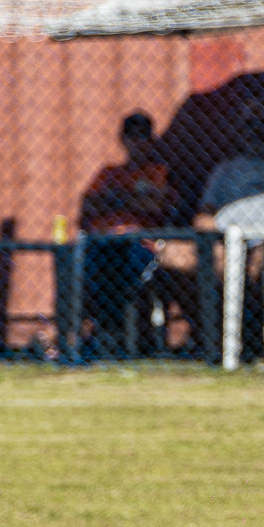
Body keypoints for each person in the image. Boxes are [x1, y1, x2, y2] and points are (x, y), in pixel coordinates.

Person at [78, 113, 182, 353]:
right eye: (132, 137)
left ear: (151, 140)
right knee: (86, 262)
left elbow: (156, 206)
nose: (137, 143)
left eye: (142, 137)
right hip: (103, 242)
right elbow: (87, 206)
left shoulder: (159, 172)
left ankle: (116, 336)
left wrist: (113, 198)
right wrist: (130, 199)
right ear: (123, 140)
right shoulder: (109, 173)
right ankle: (98, 335)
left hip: (141, 244)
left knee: (123, 266)